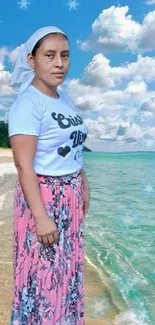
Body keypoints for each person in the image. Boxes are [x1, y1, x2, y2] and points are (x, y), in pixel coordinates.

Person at [8, 26, 90, 325]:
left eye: (65, 56)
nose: (59, 63)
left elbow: (71, 147)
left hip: (69, 199)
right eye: (50, 55)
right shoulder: (28, 102)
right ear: (32, 60)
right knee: (42, 280)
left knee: (66, 275)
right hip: (42, 198)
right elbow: (24, 166)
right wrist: (41, 217)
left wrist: (83, 184)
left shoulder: (64, 99)